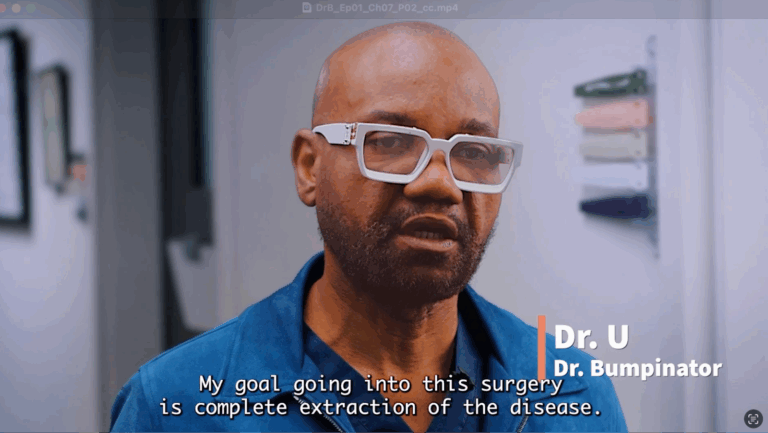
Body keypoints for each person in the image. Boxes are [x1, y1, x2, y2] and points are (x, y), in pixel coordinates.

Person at [110, 21, 627, 432]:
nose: (440, 184)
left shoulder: (574, 396)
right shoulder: (174, 405)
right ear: (309, 167)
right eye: (390, 142)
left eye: (473, 152)